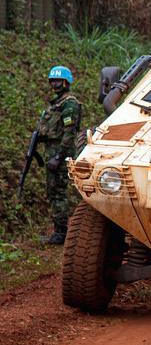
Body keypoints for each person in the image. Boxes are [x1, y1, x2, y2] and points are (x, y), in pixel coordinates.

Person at [39, 66, 81, 245]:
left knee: (58, 192)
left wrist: (58, 157)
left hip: (60, 154)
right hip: (52, 152)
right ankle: (59, 230)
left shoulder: (69, 104)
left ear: (66, 82)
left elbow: (69, 134)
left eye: (58, 81)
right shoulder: (55, 103)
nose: (55, 84)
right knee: (53, 191)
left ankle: (61, 233)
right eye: (53, 81)